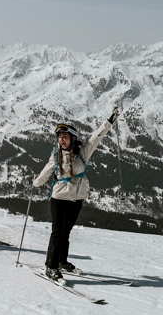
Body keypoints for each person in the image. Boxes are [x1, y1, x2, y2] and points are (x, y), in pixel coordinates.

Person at [32, 108, 120, 281]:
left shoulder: (82, 153)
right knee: (57, 232)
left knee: (66, 232)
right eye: (59, 137)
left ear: (73, 138)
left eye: (65, 137)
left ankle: (62, 261)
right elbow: (46, 172)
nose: (61, 140)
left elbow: (96, 138)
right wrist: (36, 183)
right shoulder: (56, 156)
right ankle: (51, 266)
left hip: (77, 198)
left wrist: (109, 122)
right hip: (59, 198)